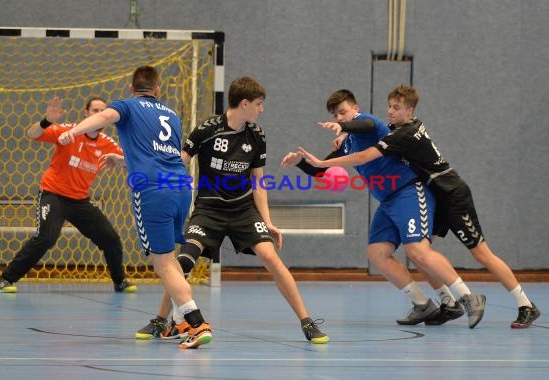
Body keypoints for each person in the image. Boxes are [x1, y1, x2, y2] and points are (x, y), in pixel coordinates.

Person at [315, 84, 540, 329]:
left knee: (480, 253)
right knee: (419, 253)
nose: (390, 111)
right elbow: (371, 131)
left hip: (452, 193)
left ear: (410, 110)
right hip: (435, 192)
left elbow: (367, 131)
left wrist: (344, 129)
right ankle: (447, 302)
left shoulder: (404, 134)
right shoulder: (398, 129)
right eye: (389, 106)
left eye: (396, 107)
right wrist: (344, 136)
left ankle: (525, 304)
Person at [134, 76, 330, 344]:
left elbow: (258, 181)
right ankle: (160, 320)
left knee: (271, 257)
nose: (262, 109)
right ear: (245, 103)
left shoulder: (257, 135)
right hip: (208, 209)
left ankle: (307, 322)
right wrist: (134, 166)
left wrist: (267, 221)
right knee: (184, 261)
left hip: (243, 210)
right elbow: (177, 163)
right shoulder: (206, 130)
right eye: (259, 104)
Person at [283, 89, 487, 329]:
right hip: (387, 201)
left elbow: (365, 125)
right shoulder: (346, 143)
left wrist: (346, 127)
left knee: (418, 251)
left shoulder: (372, 126)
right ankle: (423, 304)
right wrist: (299, 162)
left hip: (409, 192)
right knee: (377, 254)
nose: (339, 117)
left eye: (343, 112)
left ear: (355, 109)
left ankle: (468, 297)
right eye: (335, 115)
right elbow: (320, 171)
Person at [57, 66, 211, 349]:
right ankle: (180, 322)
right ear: (157, 89)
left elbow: (105, 116)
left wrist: (73, 132)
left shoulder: (126, 106)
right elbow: (163, 156)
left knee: (162, 263)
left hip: (152, 189)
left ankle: (197, 322)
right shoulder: (172, 115)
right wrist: (122, 160)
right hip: (180, 187)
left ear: (131, 89)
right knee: (170, 261)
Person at [0, 96, 137, 294]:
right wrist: (47, 121)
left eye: (102, 111)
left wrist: (121, 160)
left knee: (110, 239)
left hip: (80, 201)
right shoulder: (69, 131)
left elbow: (131, 162)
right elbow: (32, 134)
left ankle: (120, 281)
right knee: (46, 238)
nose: (99, 114)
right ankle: (5, 279)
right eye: (95, 110)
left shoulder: (107, 143)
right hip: (54, 195)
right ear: (86, 113)